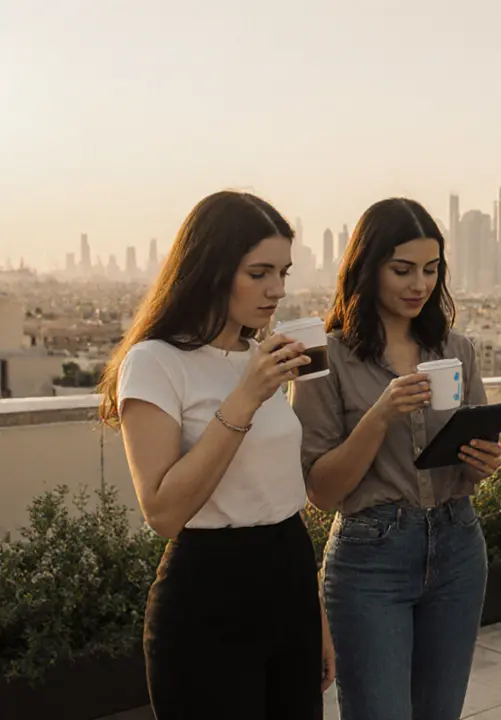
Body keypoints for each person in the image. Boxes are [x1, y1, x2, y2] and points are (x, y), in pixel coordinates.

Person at [98, 190, 332, 719]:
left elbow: (278, 500)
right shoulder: (155, 362)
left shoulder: (259, 358)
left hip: (289, 575)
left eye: (284, 273)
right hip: (209, 596)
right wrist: (246, 397)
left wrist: (315, 616)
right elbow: (162, 512)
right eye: (259, 273)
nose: (276, 290)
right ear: (211, 268)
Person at [291, 198, 501, 720]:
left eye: (431, 270)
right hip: (370, 557)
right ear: (367, 268)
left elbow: (470, 467)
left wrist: (484, 460)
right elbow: (321, 490)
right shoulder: (326, 359)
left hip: (458, 545)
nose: (419, 285)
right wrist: (380, 415)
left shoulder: (457, 349)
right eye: (402, 269)